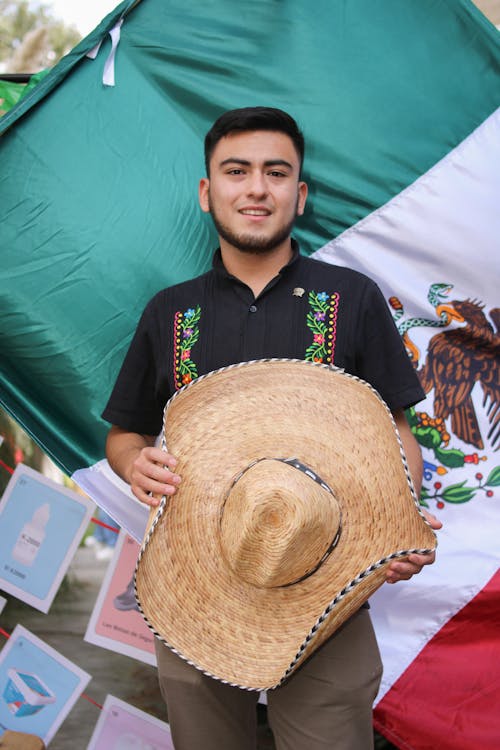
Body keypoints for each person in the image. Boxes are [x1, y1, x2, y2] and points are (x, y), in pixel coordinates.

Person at [102, 107, 442, 750]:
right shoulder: (169, 312)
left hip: (329, 593)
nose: (256, 188)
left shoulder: (352, 299)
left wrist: (402, 516)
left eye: (275, 172)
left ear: (299, 193)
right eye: (236, 171)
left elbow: (395, 429)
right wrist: (131, 463)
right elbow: (124, 434)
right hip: (195, 590)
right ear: (208, 193)